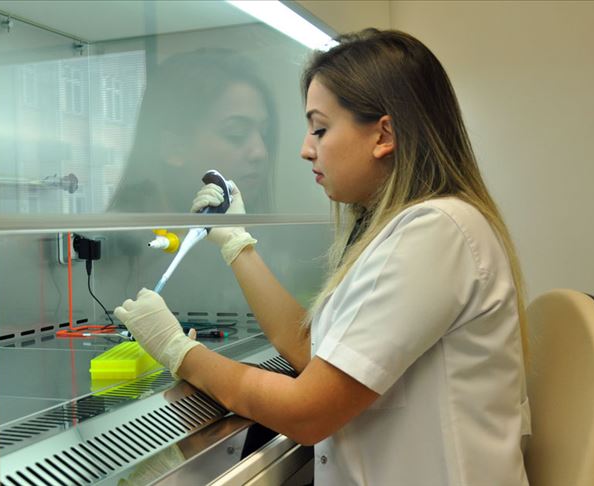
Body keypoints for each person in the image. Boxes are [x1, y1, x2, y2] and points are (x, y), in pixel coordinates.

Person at [114, 28, 530, 485]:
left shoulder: (435, 232)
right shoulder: (411, 228)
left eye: (320, 128)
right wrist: (236, 244)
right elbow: (315, 352)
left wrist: (181, 352)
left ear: (384, 135)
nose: (304, 148)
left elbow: (307, 412)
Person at [108, 47, 277, 214]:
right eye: (236, 133)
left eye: (264, 134)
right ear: (173, 148)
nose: (261, 152)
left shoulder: (248, 227)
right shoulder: (118, 232)